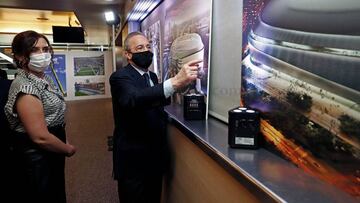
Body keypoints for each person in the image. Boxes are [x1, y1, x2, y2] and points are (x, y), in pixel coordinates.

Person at [110, 31, 201, 203]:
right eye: (139, 48)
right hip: (133, 160)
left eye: (148, 47)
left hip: (154, 156)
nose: (146, 51)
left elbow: (154, 99)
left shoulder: (152, 76)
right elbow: (133, 99)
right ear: (128, 55)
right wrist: (175, 81)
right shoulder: (120, 77)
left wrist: (182, 86)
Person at [4, 30, 76, 203]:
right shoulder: (25, 87)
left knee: (55, 191)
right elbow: (40, 137)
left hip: (52, 147)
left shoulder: (43, 79)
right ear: (21, 56)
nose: (42, 54)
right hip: (37, 156)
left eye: (46, 49)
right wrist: (68, 149)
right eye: (35, 50)